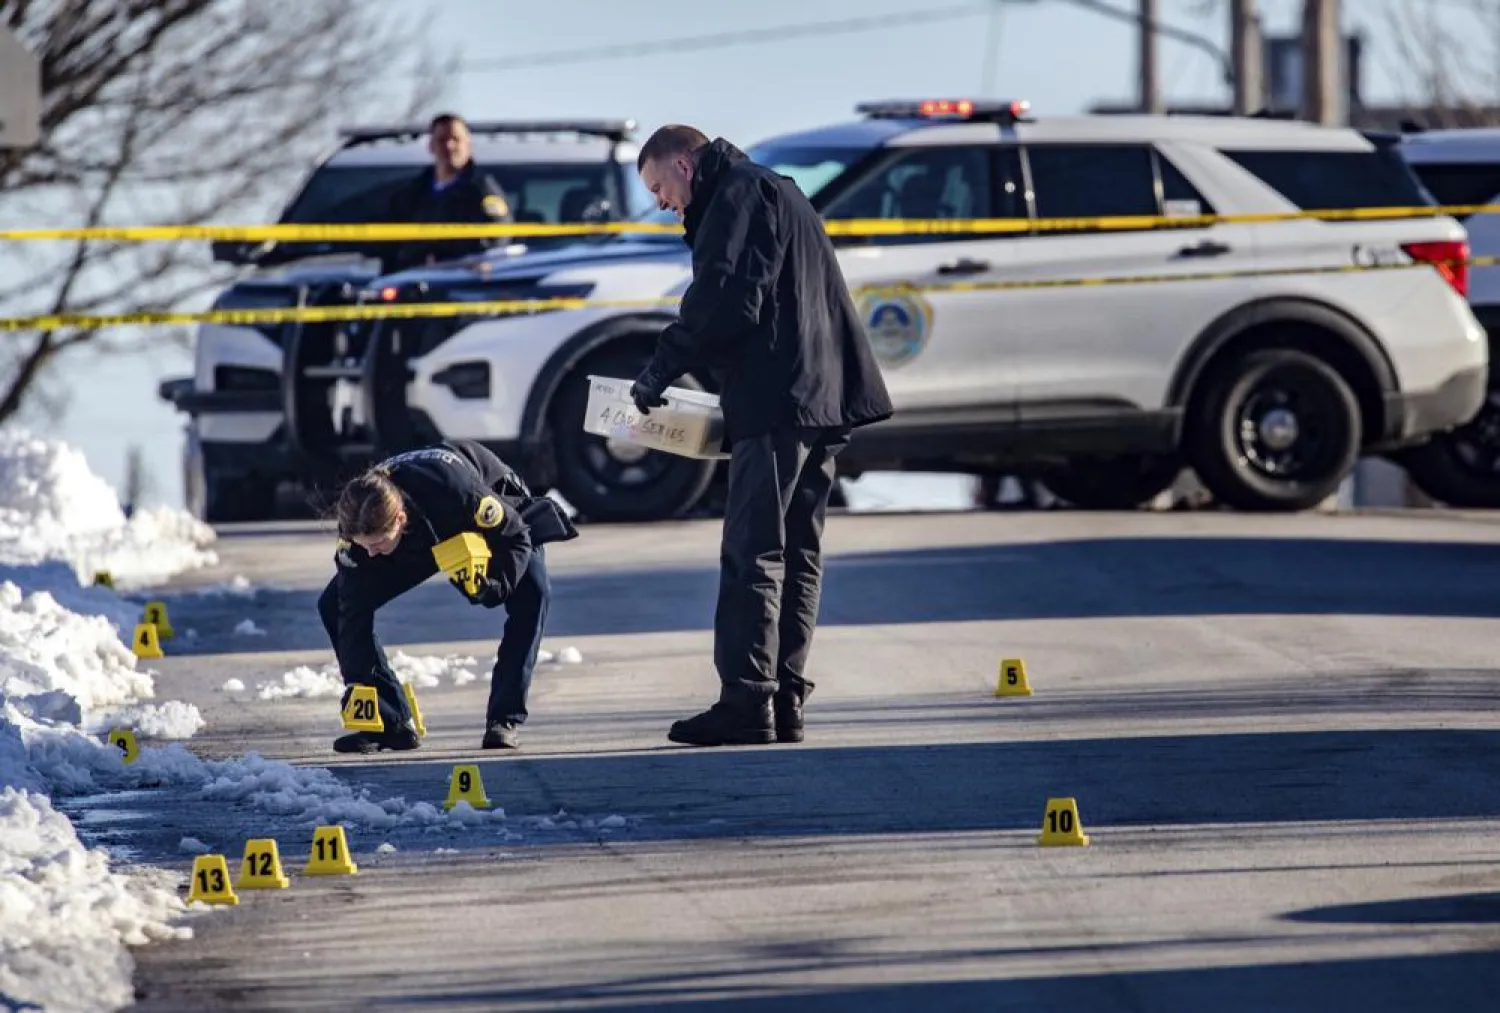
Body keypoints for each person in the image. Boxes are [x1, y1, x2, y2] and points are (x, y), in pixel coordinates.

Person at [629, 124, 895, 748]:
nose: (661, 202)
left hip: (779, 399)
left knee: (754, 550)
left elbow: (725, 299)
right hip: (824, 396)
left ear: (686, 164)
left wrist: (660, 368)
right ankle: (787, 701)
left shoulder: (737, 196)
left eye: (659, 185)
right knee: (799, 551)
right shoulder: (779, 190)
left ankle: (748, 702)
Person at [321, 440, 577, 754]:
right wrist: (359, 687)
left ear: (399, 520)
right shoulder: (357, 530)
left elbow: (516, 536)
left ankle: (504, 720)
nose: (370, 553)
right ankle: (392, 724)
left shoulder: (457, 492)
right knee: (333, 606)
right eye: (364, 545)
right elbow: (351, 614)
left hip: (487, 518)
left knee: (534, 595)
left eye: (377, 543)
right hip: (417, 535)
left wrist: (495, 587)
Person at [381, 113, 515, 273]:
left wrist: (450, 256)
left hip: (460, 281)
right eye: (442, 140)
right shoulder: (413, 193)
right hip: (414, 280)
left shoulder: (482, 191)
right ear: (430, 146)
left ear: (468, 146)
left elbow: (497, 235)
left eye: (455, 139)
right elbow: (392, 238)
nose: (449, 146)